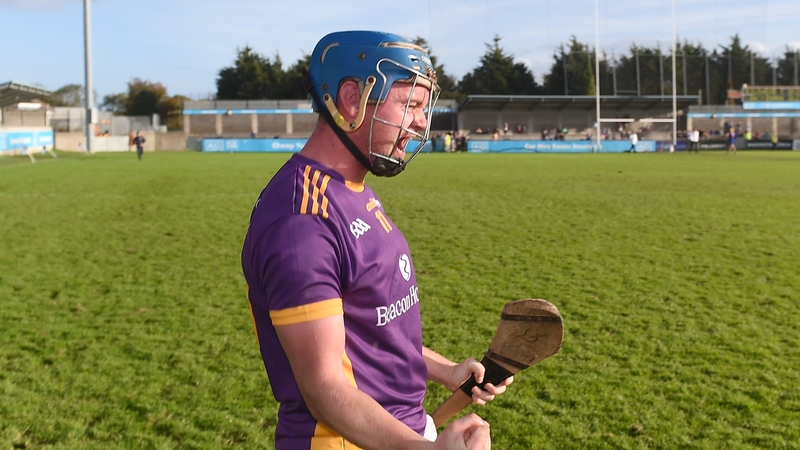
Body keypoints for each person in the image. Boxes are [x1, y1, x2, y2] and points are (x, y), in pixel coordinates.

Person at [241, 31, 509, 450]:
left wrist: (447, 371)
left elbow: (374, 328)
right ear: (352, 100)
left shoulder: (351, 188)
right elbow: (324, 387)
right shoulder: (301, 221)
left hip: (398, 432)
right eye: (410, 105)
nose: (421, 123)